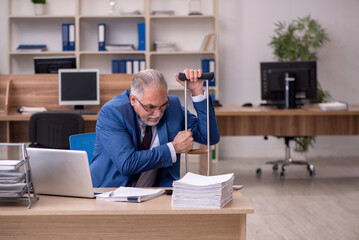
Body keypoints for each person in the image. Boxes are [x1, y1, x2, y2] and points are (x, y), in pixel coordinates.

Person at [90, 68, 220, 187]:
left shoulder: (173, 106)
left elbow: (209, 137)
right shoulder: (112, 113)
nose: (158, 114)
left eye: (163, 105)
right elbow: (127, 164)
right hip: (110, 192)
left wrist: (197, 92)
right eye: (150, 107)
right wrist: (172, 148)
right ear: (133, 100)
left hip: (156, 193)